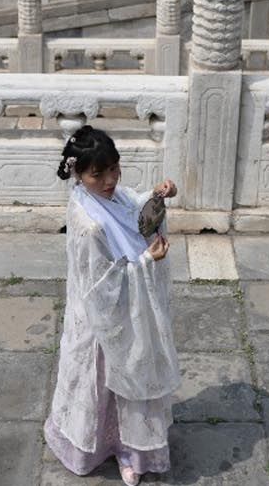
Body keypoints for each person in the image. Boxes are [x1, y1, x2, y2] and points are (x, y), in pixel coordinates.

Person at [44, 126, 180, 486]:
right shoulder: (88, 223)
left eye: (114, 169)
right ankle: (111, 447)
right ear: (78, 173)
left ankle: (132, 450)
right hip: (101, 318)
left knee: (128, 376)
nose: (109, 180)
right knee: (108, 381)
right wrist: (147, 262)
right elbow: (102, 288)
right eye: (98, 174)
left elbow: (131, 207)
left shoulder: (105, 196)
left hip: (116, 304)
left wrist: (155, 197)